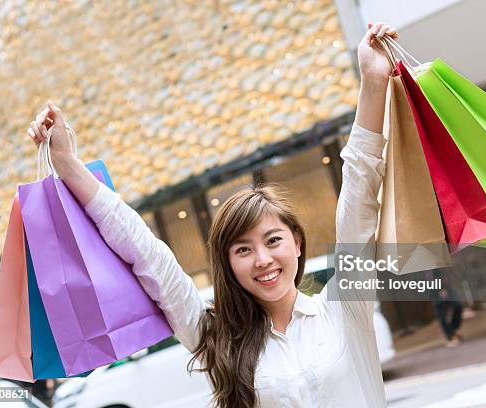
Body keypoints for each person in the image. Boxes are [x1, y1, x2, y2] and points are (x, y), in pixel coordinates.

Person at [27, 22, 398, 408]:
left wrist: (372, 84)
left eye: (273, 240)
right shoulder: (217, 340)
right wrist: (68, 164)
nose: (263, 259)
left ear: (297, 243)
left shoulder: (344, 308)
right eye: (243, 250)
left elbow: (357, 198)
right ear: (229, 264)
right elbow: (148, 255)